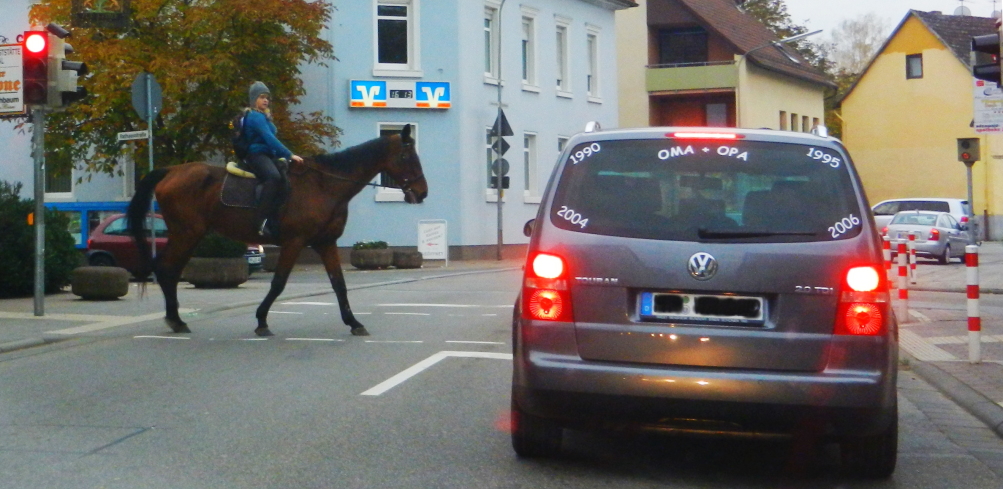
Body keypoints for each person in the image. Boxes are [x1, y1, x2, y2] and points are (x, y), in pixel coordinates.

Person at [243, 81, 304, 238]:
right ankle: (260, 222)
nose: (265, 100)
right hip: (256, 155)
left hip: (268, 155)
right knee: (273, 178)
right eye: (262, 97)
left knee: (286, 179)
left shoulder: (264, 117)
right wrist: (289, 154)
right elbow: (269, 138)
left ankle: (278, 218)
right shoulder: (255, 117)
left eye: (267, 98)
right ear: (253, 99)